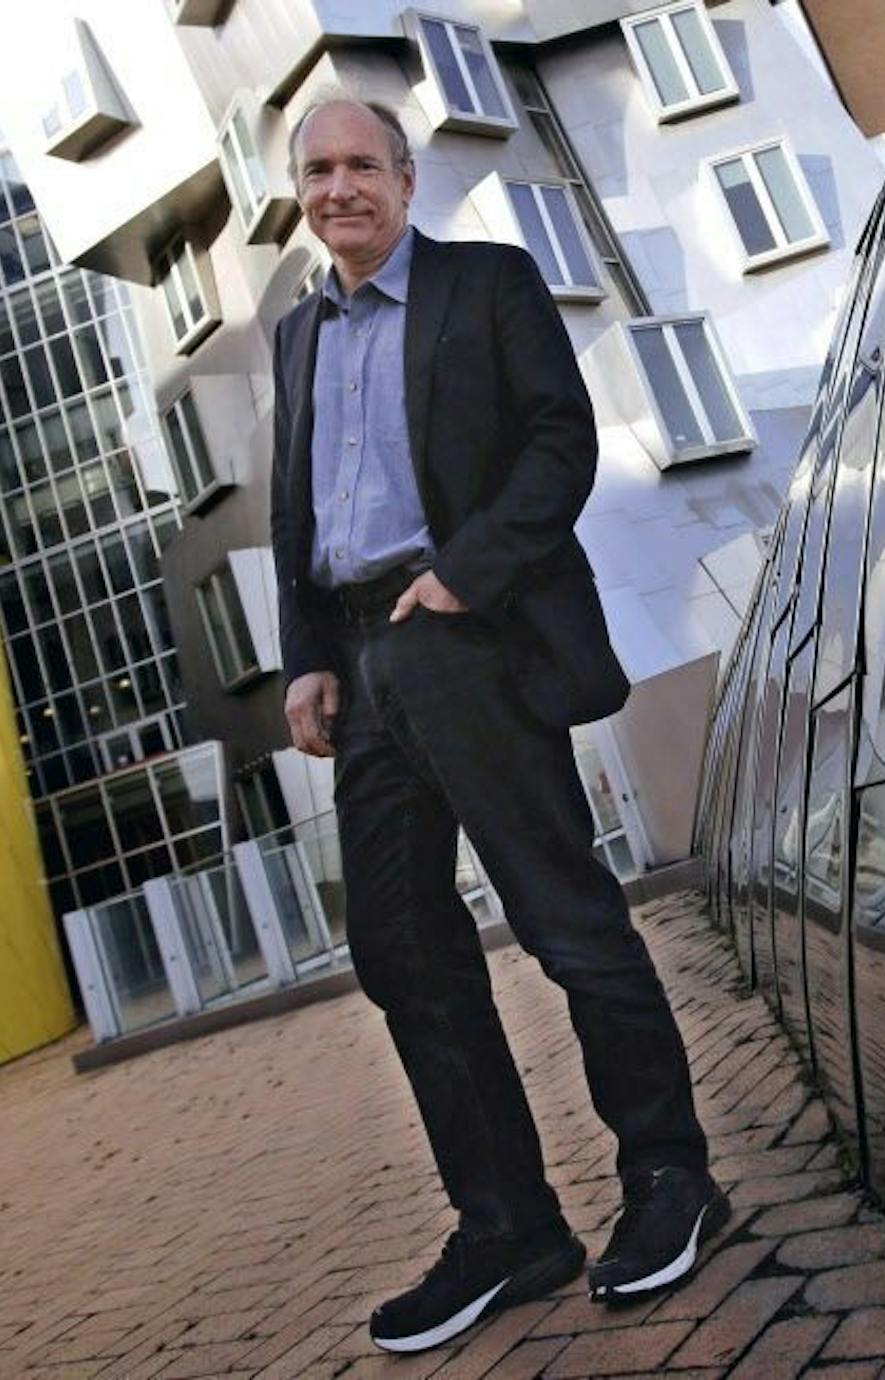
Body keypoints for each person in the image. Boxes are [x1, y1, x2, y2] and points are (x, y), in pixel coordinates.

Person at [267, 96, 726, 1355]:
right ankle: (511, 1227)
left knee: (565, 918)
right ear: (299, 190)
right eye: (318, 169)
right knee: (400, 951)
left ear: (405, 179)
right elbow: (294, 515)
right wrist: (306, 659)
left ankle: (671, 1176)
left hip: (467, 633)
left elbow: (559, 439)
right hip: (359, 663)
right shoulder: (297, 333)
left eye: (362, 164)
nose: (340, 187)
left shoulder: (485, 284)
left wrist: (463, 577)